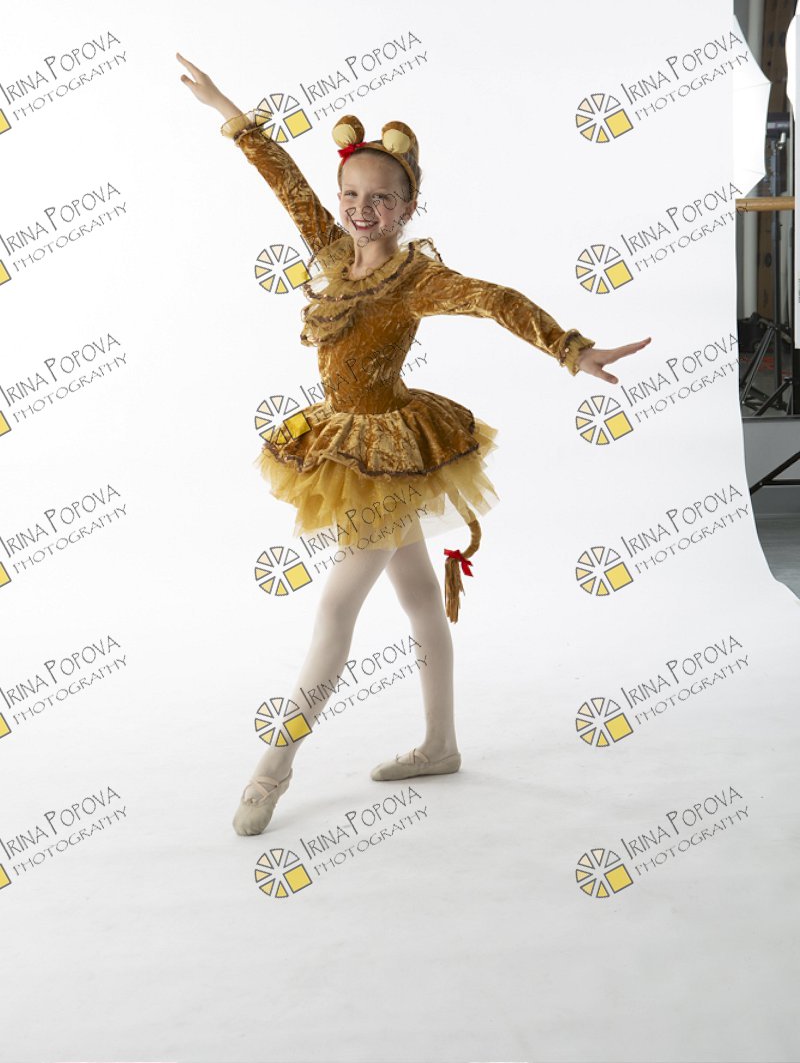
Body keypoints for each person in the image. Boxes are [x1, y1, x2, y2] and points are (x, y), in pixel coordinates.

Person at [176, 52, 652, 836]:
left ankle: (274, 766)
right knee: (421, 595)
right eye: (351, 195)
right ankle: (441, 745)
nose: (362, 209)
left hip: (388, 449)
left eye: (381, 198)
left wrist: (570, 348)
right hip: (348, 443)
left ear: (408, 206)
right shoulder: (333, 253)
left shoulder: (415, 279)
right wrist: (226, 106)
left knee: (337, 604)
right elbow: (283, 180)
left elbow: (494, 299)